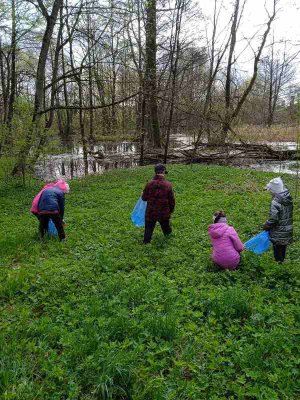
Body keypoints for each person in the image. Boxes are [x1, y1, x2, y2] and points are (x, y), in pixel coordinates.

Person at [141, 164, 175, 244]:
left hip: (151, 211)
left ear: (155, 172)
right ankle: (169, 241)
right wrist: (171, 210)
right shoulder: (168, 185)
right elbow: (171, 200)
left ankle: (146, 243)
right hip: (164, 211)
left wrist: (143, 193)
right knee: (166, 227)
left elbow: (144, 198)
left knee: (148, 229)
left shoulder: (149, 184)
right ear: (163, 171)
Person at [263, 177, 293, 263]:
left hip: (278, 231)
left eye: (271, 190)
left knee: (277, 250)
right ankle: (282, 261)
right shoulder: (288, 197)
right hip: (287, 229)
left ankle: (278, 264)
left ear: (274, 190)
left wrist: (267, 225)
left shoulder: (275, 201)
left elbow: (274, 219)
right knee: (283, 247)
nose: (270, 192)